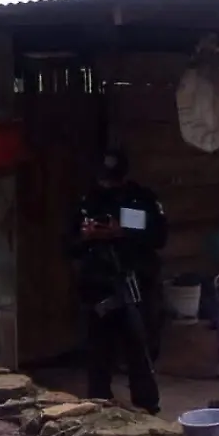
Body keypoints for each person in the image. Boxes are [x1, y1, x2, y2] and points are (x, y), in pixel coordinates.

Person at [68, 149, 167, 415]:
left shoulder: (141, 199)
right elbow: (68, 244)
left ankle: (147, 406)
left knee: (140, 349)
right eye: (104, 179)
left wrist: (123, 232)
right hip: (98, 286)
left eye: (113, 179)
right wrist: (86, 237)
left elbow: (159, 236)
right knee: (98, 353)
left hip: (135, 284)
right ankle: (98, 405)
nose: (108, 184)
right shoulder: (88, 201)